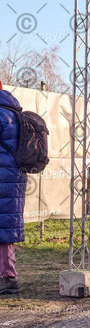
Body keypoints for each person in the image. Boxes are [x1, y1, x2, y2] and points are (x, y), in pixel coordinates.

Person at [0, 81, 26, 294]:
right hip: (14, 178)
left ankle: (9, 278)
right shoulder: (15, 113)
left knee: (4, 230)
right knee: (5, 230)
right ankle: (9, 277)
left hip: (3, 177)